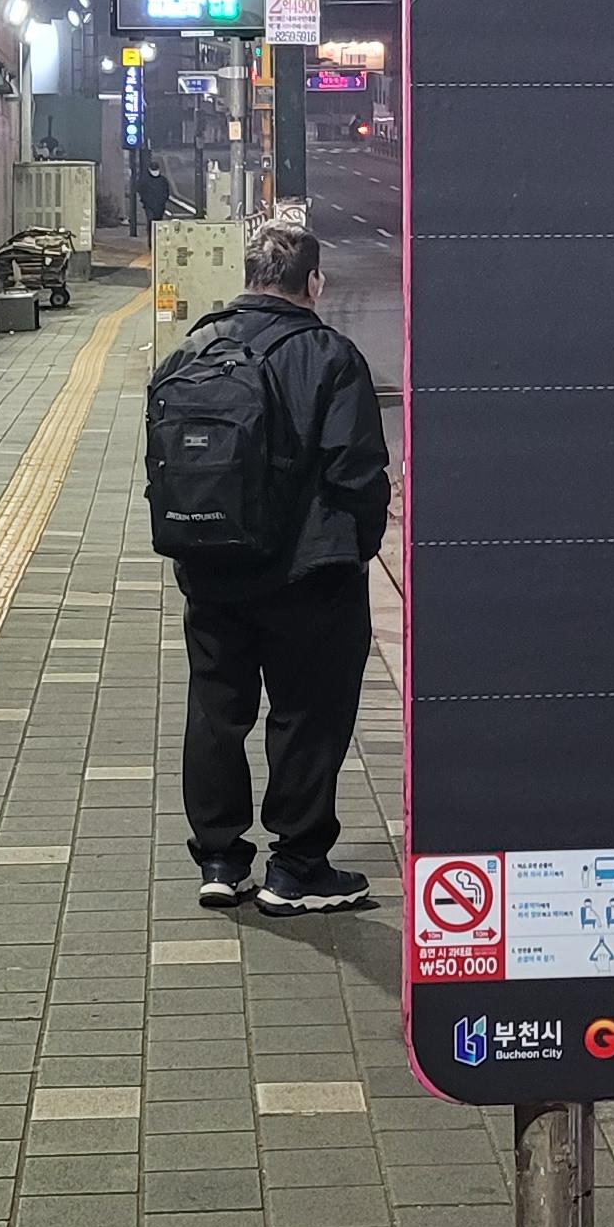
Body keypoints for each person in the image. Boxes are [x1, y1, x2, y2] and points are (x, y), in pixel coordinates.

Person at [151, 218, 390, 914]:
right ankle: (297, 868)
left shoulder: (193, 348)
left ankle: (220, 860)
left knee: (215, 711)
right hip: (308, 576)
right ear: (312, 282)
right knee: (307, 715)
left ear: (250, 275)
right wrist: (359, 546)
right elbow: (357, 471)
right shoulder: (329, 355)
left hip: (211, 566)